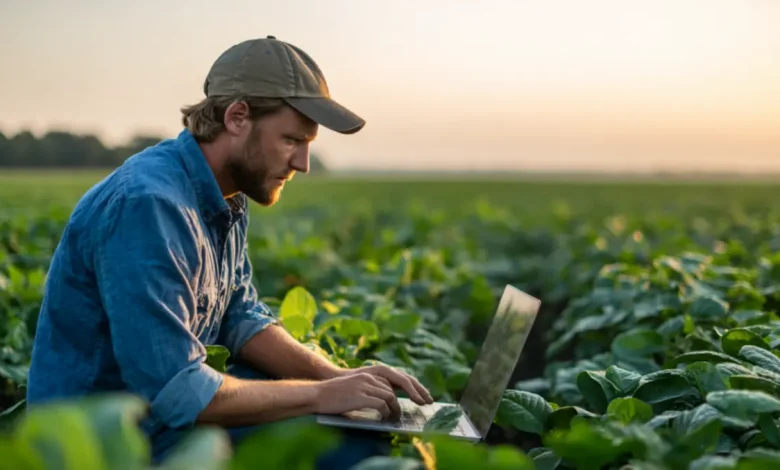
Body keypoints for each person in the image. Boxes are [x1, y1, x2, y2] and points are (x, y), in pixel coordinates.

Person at [25, 36, 433, 467]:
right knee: (344, 445)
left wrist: (339, 377)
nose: (303, 163)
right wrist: (321, 394)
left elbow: (239, 315)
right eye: (292, 139)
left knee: (345, 423)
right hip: (105, 444)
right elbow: (179, 392)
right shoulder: (148, 205)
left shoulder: (226, 196)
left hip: (162, 417)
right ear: (238, 117)